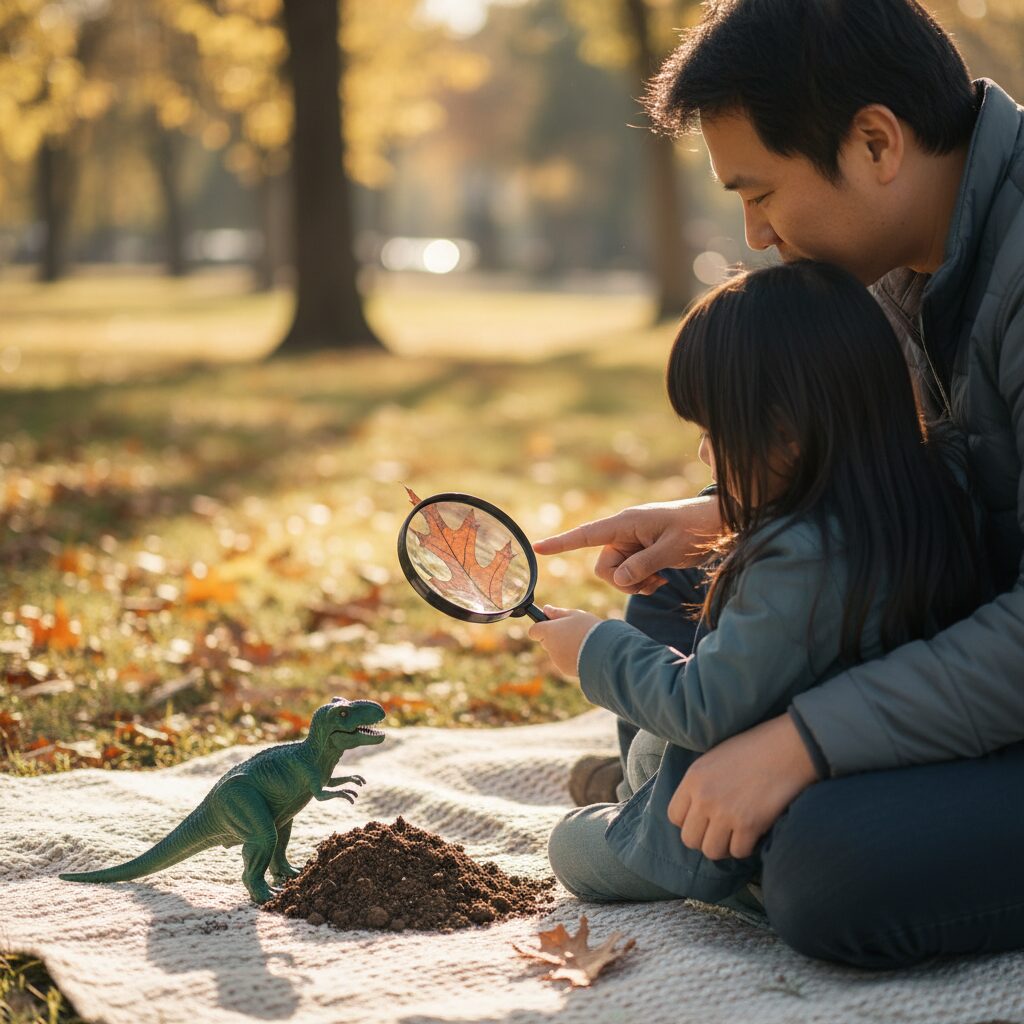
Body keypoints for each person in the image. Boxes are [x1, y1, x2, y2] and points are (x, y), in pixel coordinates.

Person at [533, 0, 1024, 968]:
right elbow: (934, 470)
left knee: (831, 865)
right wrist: (728, 515)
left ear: (875, 142)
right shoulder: (897, 261)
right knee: (685, 586)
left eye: (759, 193)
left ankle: (716, 815)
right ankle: (699, 798)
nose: (754, 235)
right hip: (967, 611)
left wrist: (803, 743)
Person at [530, 260, 985, 921]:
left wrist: (592, 649)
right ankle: (637, 790)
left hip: (739, 816)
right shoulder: (927, 486)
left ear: (787, 434)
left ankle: (649, 818)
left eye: (716, 433)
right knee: (654, 741)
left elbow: (703, 708)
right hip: (833, 751)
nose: (705, 455)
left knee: (569, 846)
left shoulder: (800, 556)